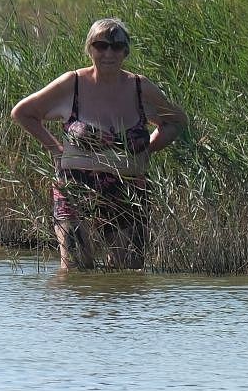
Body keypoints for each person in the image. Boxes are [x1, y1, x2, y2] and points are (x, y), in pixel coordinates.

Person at [11, 18, 187, 270]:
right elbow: (23, 112)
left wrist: (147, 148)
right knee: (76, 268)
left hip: (128, 190)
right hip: (76, 189)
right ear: (89, 48)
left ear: (126, 51)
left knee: (127, 274)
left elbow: (176, 121)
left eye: (116, 47)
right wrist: (55, 149)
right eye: (101, 45)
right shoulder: (72, 84)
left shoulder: (140, 88)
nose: (108, 53)